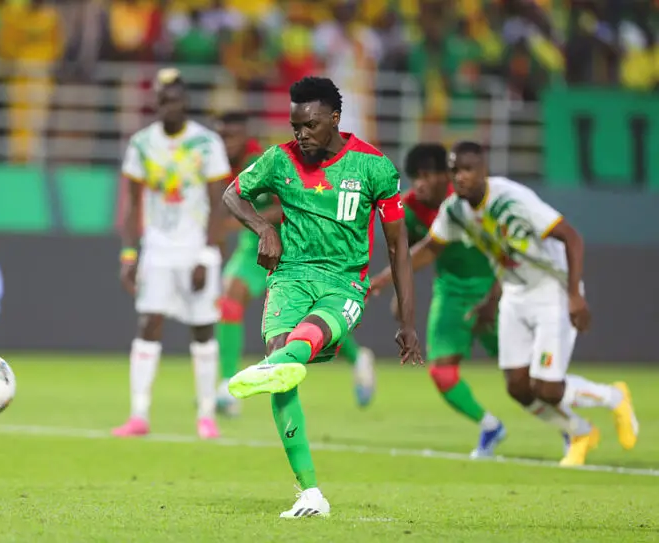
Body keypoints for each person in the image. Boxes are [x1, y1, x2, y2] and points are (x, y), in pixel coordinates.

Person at [221, 76, 423, 518]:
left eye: (310, 125)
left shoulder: (374, 168)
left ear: (334, 119)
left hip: (344, 283)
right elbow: (232, 194)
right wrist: (264, 227)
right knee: (285, 367)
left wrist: (407, 322)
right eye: (295, 126)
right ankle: (310, 493)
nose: (301, 135)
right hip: (290, 277)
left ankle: (268, 368)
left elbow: (398, 248)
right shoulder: (279, 159)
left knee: (296, 348)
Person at [412, 140, 638, 467]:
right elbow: (443, 248)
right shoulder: (456, 210)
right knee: (518, 387)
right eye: (454, 171)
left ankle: (614, 396)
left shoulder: (512, 199)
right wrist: (493, 299)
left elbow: (571, 237)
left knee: (547, 388)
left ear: (483, 171)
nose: (460, 177)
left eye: (467, 170)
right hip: (515, 294)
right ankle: (580, 431)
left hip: (552, 292)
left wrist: (574, 294)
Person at [215, 112, 377, 415]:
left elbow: (296, 205)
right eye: (221, 136)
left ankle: (357, 357)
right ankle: (226, 386)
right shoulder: (222, 164)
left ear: (246, 136)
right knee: (229, 299)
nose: (225, 143)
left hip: (293, 245)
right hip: (256, 245)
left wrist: (251, 222)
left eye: (231, 136)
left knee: (308, 325)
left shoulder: (265, 161)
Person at [113, 68, 231, 440]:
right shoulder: (142, 144)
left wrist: (208, 257)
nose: (169, 106)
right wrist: (129, 255)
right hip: (157, 249)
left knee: (202, 328)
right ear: (157, 104)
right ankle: (139, 414)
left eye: (176, 100)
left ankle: (207, 415)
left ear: (186, 103)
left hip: (195, 246)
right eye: (163, 101)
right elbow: (132, 204)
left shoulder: (207, 143)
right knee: (148, 324)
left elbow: (220, 204)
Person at [371, 143, 506, 458]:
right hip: (451, 292)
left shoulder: (469, 200)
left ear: (445, 175)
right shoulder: (408, 208)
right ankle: (489, 426)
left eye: (427, 175)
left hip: (494, 291)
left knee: (524, 377)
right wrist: (398, 294)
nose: (419, 182)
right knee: (441, 372)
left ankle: (570, 427)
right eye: (415, 176)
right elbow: (414, 255)